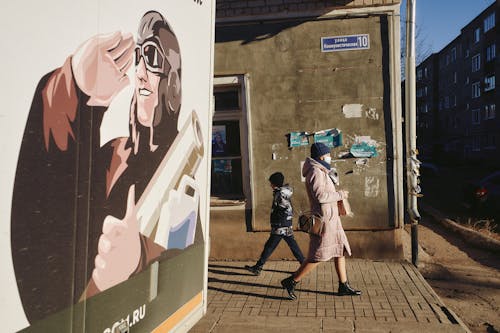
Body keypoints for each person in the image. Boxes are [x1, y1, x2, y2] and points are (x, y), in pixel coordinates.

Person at [11, 11, 183, 322]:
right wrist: (75, 88)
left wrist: (139, 258)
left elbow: (183, 256)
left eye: (153, 58)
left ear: (173, 82)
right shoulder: (114, 156)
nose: (141, 73)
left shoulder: (181, 168)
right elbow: (44, 215)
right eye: (139, 58)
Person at [280, 143, 361, 300]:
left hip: (332, 219)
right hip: (325, 221)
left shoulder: (323, 171)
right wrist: (340, 194)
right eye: (328, 154)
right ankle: (291, 280)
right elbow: (320, 196)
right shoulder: (316, 172)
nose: (330, 156)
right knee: (319, 256)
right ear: (321, 156)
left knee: (340, 250)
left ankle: (343, 285)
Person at [245, 172, 304, 275]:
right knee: (292, 246)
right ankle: (304, 264)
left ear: (274, 183)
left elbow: (285, 207)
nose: (270, 185)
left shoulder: (279, 194)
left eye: (271, 183)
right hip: (285, 224)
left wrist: (277, 217)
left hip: (280, 226)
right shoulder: (283, 192)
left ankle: (258, 267)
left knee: (269, 247)